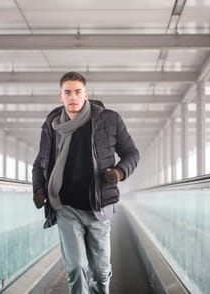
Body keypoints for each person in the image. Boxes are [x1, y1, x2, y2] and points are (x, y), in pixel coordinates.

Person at [32, 71, 139, 294]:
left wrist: (119, 172)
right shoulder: (52, 126)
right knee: (76, 267)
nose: (73, 97)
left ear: (86, 94)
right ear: (60, 96)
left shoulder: (109, 120)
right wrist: (39, 188)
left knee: (100, 273)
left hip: (98, 208)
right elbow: (40, 163)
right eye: (68, 92)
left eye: (78, 92)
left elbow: (131, 153)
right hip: (65, 208)